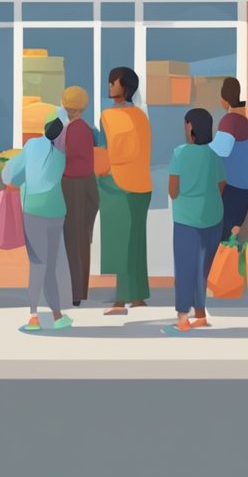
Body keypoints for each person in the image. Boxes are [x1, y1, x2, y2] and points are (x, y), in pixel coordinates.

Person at [4, 117, 73, 331]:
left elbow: (11, 176)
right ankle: (57, 315)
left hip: (33, 211)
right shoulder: (62, 156)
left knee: (37, 263)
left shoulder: (32, 146)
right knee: (50, 265)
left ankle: (33, 316)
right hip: (56, 213)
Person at [99, 67, 152, 316]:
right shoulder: (141, 116)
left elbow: (107, 152)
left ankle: (121, 301)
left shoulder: (108, 117)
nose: (110, 85)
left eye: (114, 82)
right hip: (142, 185)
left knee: (119, 243)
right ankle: (138, 295)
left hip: (117, 185)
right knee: (136, 242)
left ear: (126, 87)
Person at [168, 109, 225, 333]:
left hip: (186, 220)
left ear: (190, 126)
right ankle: (200, 314)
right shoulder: (213, 155)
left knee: (185, 269)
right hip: (213, 218)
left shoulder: (180, 154)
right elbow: (221, 185)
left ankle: (183, 318)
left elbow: (173, 191)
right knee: (203, 269)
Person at [59, 86, 99, 307]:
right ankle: (79, 291)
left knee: (72, 240)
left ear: (65, 105)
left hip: (72, 186)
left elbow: (66, 158)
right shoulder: (88, 129)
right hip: (88, 185)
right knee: (83, 239)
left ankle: (74, 292)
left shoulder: (70, 131)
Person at [210, 78, 248, 243]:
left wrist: (198, 149)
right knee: (233, 238)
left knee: (223, 238)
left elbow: (220, 150)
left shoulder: (231, 121)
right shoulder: (245, 121)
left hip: (231, 189)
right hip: (242, 188)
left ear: (224, 99)